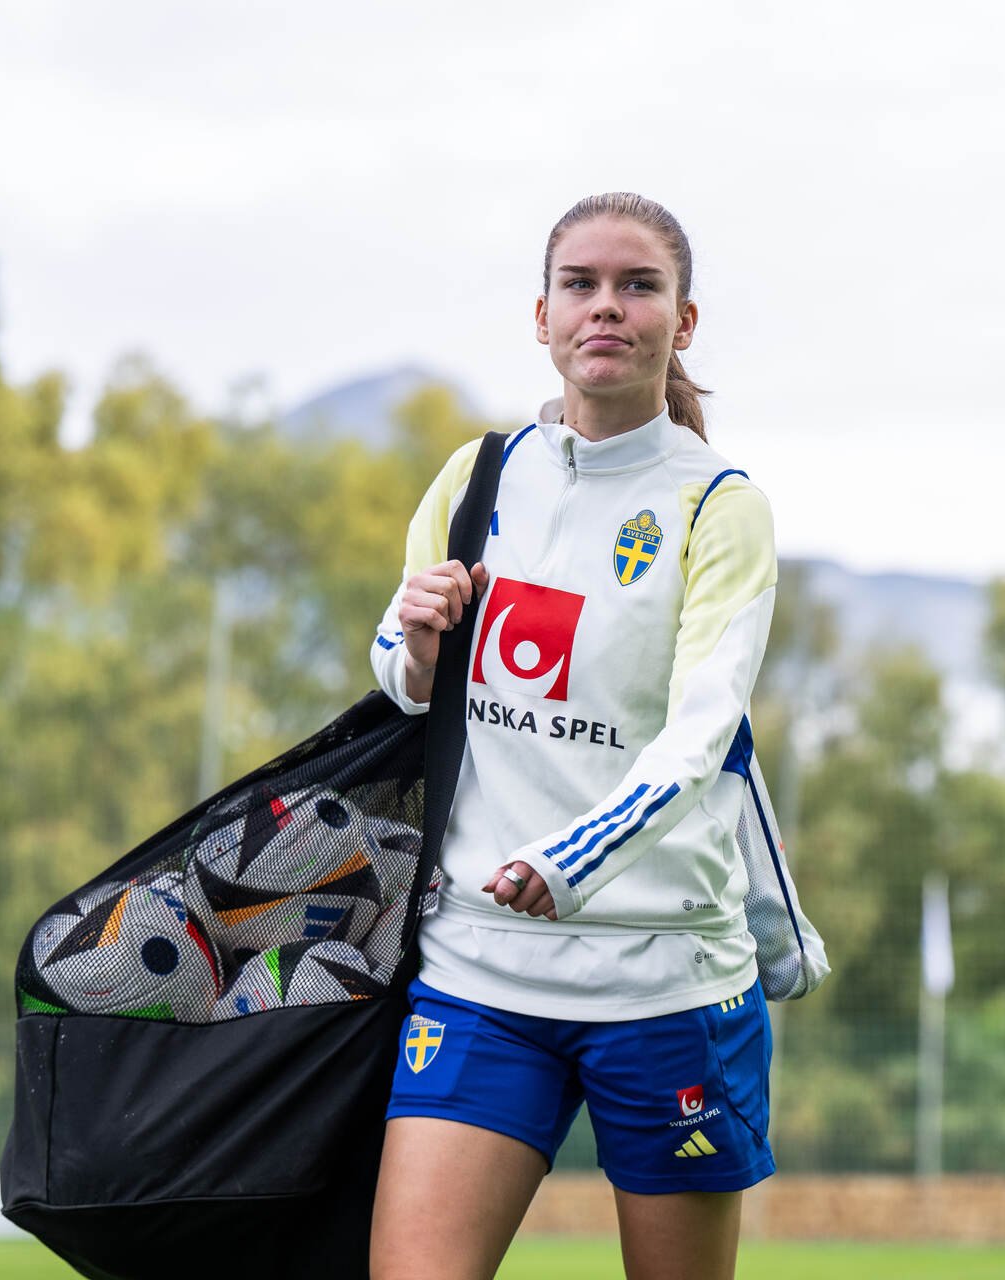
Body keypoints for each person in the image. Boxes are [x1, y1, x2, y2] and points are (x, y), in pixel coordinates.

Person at [366, 193, 780, 1280]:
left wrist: (569, 860)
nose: (607, 306)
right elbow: (400, 673)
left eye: (639, 286)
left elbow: (700, 737)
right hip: (480, 969)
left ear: (683, 322)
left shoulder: (719, 504)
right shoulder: (477, 474)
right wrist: (416, 647)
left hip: (664, 979)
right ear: (541, 314)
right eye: (580, 284)